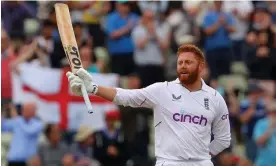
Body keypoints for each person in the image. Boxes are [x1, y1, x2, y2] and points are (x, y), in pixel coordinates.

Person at [66, 44, 231, 166]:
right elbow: (126, 96)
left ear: (201, 66)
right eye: (180, 63)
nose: (183, 66)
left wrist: (202, 155)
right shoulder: (163, 90)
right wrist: (93, 88)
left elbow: (223, 139)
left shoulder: (216, 98)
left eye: (188, 62)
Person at [1, 101, 44, 166]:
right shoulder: (17, 121)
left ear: (34, 111)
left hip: (29, 162)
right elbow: (3, 127)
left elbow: (28, 131)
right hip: (13, 160)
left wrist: (16, 117)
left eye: (27, 109)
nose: (24, 111)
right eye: (23, 109)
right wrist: (2, 112)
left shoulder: (38, 123)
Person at [253, 101, 276, 166]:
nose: (274, 115)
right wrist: (270, 128)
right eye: (271, 112)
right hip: (264, 163)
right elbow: (259, 142)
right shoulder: (261, 123)